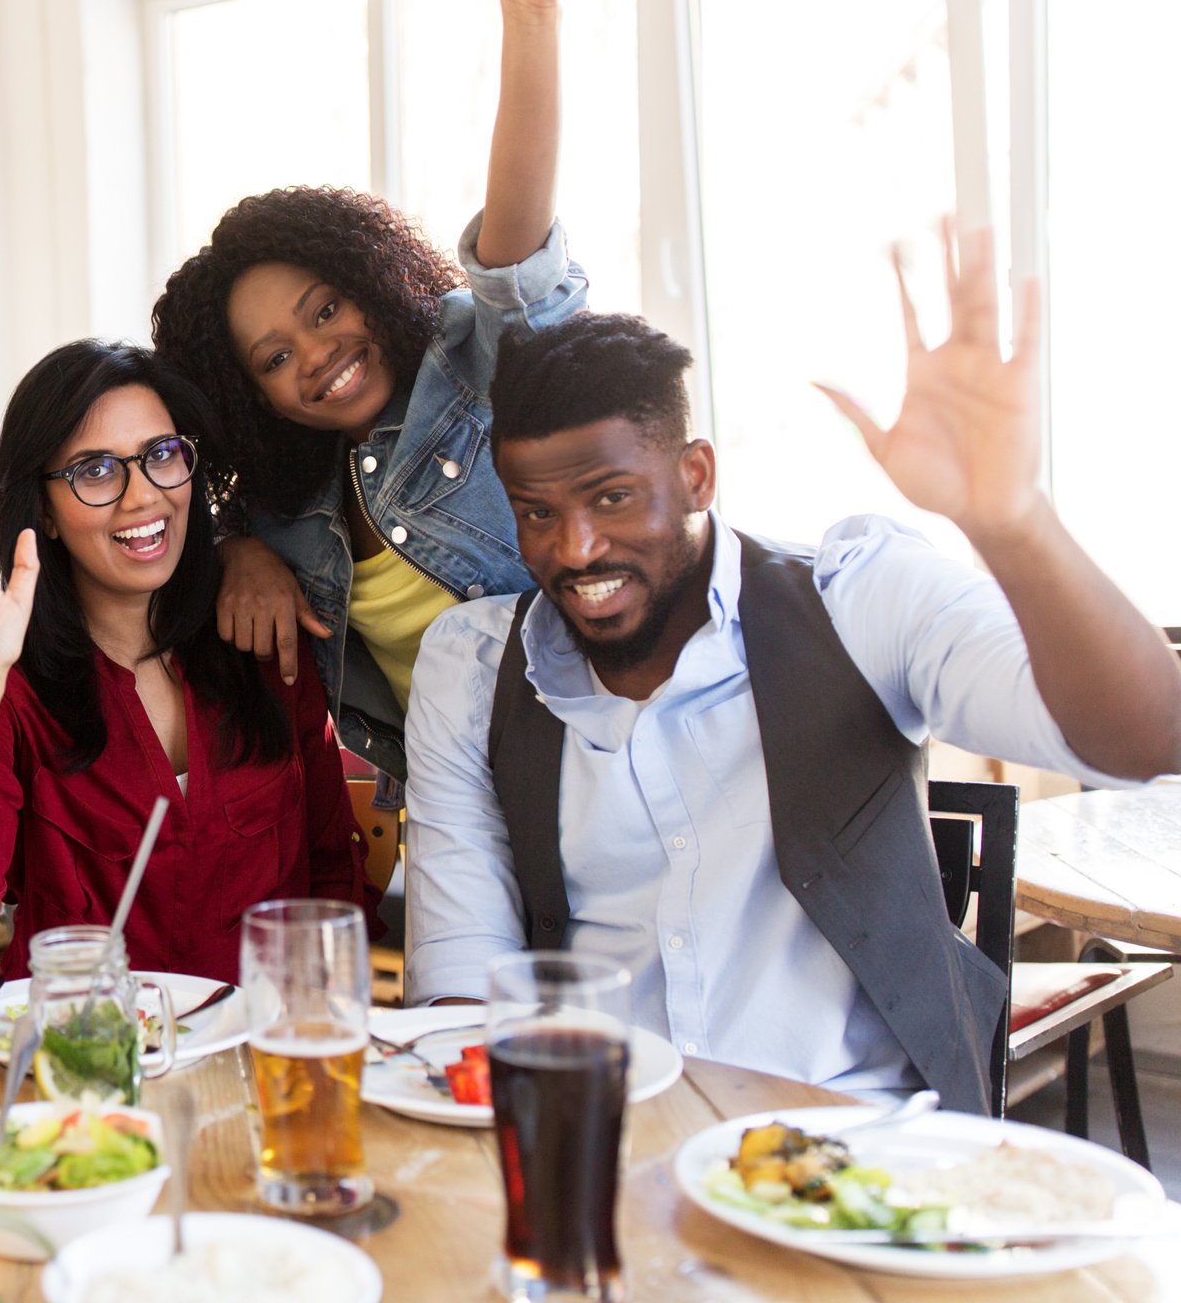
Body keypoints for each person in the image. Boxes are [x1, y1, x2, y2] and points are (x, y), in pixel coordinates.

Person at [401, 244, 1181, 1113]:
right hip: (610, 1135)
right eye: (538, 513)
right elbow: (462, 965)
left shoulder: (856, 594)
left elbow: (1149, 738)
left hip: (866, 1145)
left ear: (695, 474)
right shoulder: (472, 666)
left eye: (612, 497)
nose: (575, 548)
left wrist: (1012, 520)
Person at [148, 0, 669, 804]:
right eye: (271, 359)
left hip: (622, 764)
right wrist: (237, 545)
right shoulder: (284, 499)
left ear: (370, 282)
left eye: (322, 308)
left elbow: (515, 250)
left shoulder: (478, 367)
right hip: (461, 806)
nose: (313, 354)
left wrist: (531, 11)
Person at [0, 342, 367, 982]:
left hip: (257, 1057)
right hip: (83, 1058)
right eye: (94, 470)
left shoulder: (261, 636)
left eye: (162, 455)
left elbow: (332, 875)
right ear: (44, 513)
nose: (143, 496)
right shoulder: (3, 681)